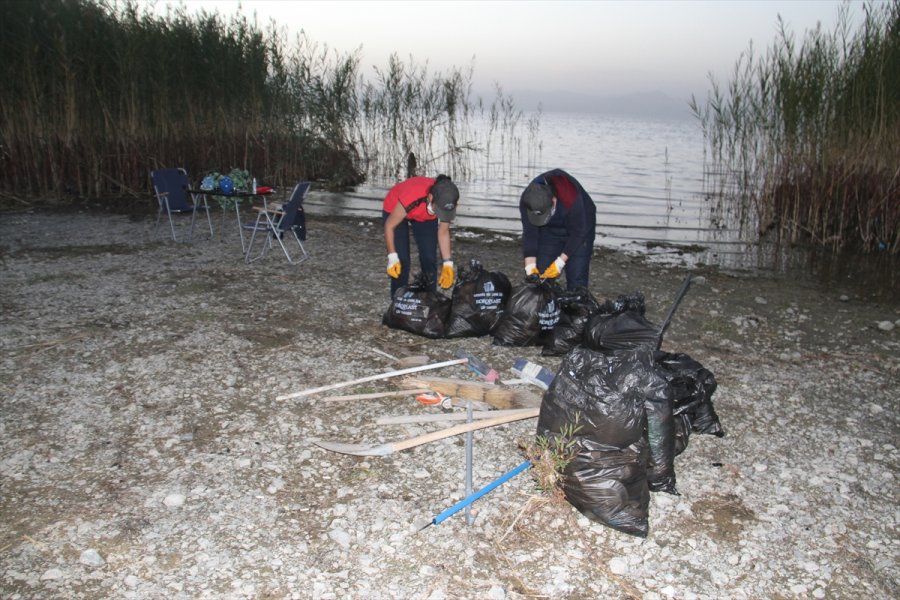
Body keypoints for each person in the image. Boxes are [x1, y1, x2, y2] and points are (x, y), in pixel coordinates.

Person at [383, 174, 460, 296]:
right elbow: (389, 226)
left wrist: (448, 264)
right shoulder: (412, 195)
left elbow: (443, 232)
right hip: (396, 209)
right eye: (439, 210)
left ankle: (429, 298)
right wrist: (392, 257)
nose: (442, 214)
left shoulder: (447, 200)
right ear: (430, 197)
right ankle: (397, 299)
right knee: (401, 260)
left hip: (424, 216)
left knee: (429, 258)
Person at [519, 168, 596, 289]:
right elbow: (530, 234)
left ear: (554, 201)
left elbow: (578, 233)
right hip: (549, 230)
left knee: (577, 277)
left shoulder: (570, 197)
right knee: (542, 276)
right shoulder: (528, 200)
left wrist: (559, 263)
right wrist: (530, 268)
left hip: (581, 225)